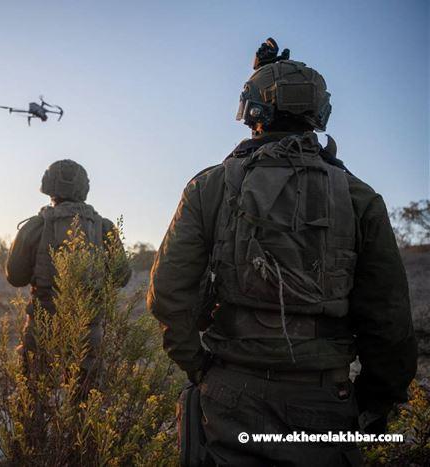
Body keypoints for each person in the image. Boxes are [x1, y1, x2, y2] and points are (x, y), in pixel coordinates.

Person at [148, 38, 417, 466]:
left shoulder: (209, 187)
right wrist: (373, 399)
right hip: (324, 399)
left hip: (229, 395)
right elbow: (389, 319)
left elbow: (167, 292)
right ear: (319, 113)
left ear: (252, 111)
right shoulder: (358, 197)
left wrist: (196, 364)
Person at [5, 159, 131, 386]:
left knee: (33, 398)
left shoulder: (35, 226)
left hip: (42, 326)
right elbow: (122, 276)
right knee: (84, 403)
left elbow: (15, 277)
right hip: (88, 330)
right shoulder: (105, 228)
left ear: (48, 187)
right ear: (84, 188)